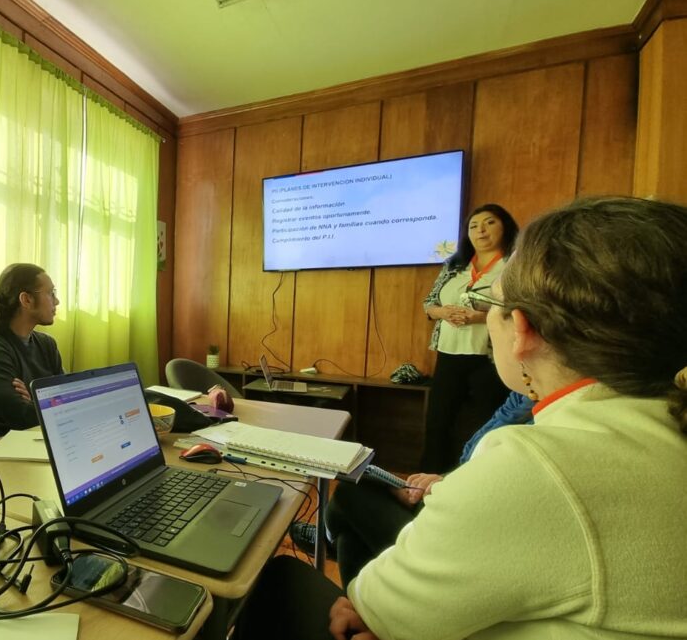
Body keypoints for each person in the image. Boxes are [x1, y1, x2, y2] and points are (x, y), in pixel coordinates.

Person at [237, 196, 687, 639]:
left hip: (424, 607)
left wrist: (376, 610)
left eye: (494, 307)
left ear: (522, 329)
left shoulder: (535, 464)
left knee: (282, 581)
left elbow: (388, 602)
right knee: (359, 496)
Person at [291, 391, 534, 587]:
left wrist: (444, 486)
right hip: (454, 497)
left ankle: (327, 539)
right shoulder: (527, 394)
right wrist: (439, 479)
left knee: (349, 497)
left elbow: (494, 485)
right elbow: (473, 455)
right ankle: (361, 611)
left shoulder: (541, 429)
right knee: (357, 503)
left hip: (464, 541)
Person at [420, 203, 519, 472]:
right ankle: (429, 478)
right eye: (473, 226)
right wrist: (442, 312)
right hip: (450, 352)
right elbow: (429, 304)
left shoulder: (514, 263)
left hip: (490, 356)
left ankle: (475, 477)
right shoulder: (454, 264)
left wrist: (481, 315)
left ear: (505, 227)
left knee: (485, 420)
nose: (481, 230)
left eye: (489, 223)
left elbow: (521, 305)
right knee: (438, 420)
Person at [0, 263, 64, 434]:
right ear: (26, 300)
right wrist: (44, 402)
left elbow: (68, 401)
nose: (57, 301)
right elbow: (22, 418)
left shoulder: (47, 344)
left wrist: (35, 402)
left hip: (47, 438)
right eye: (51, 293)